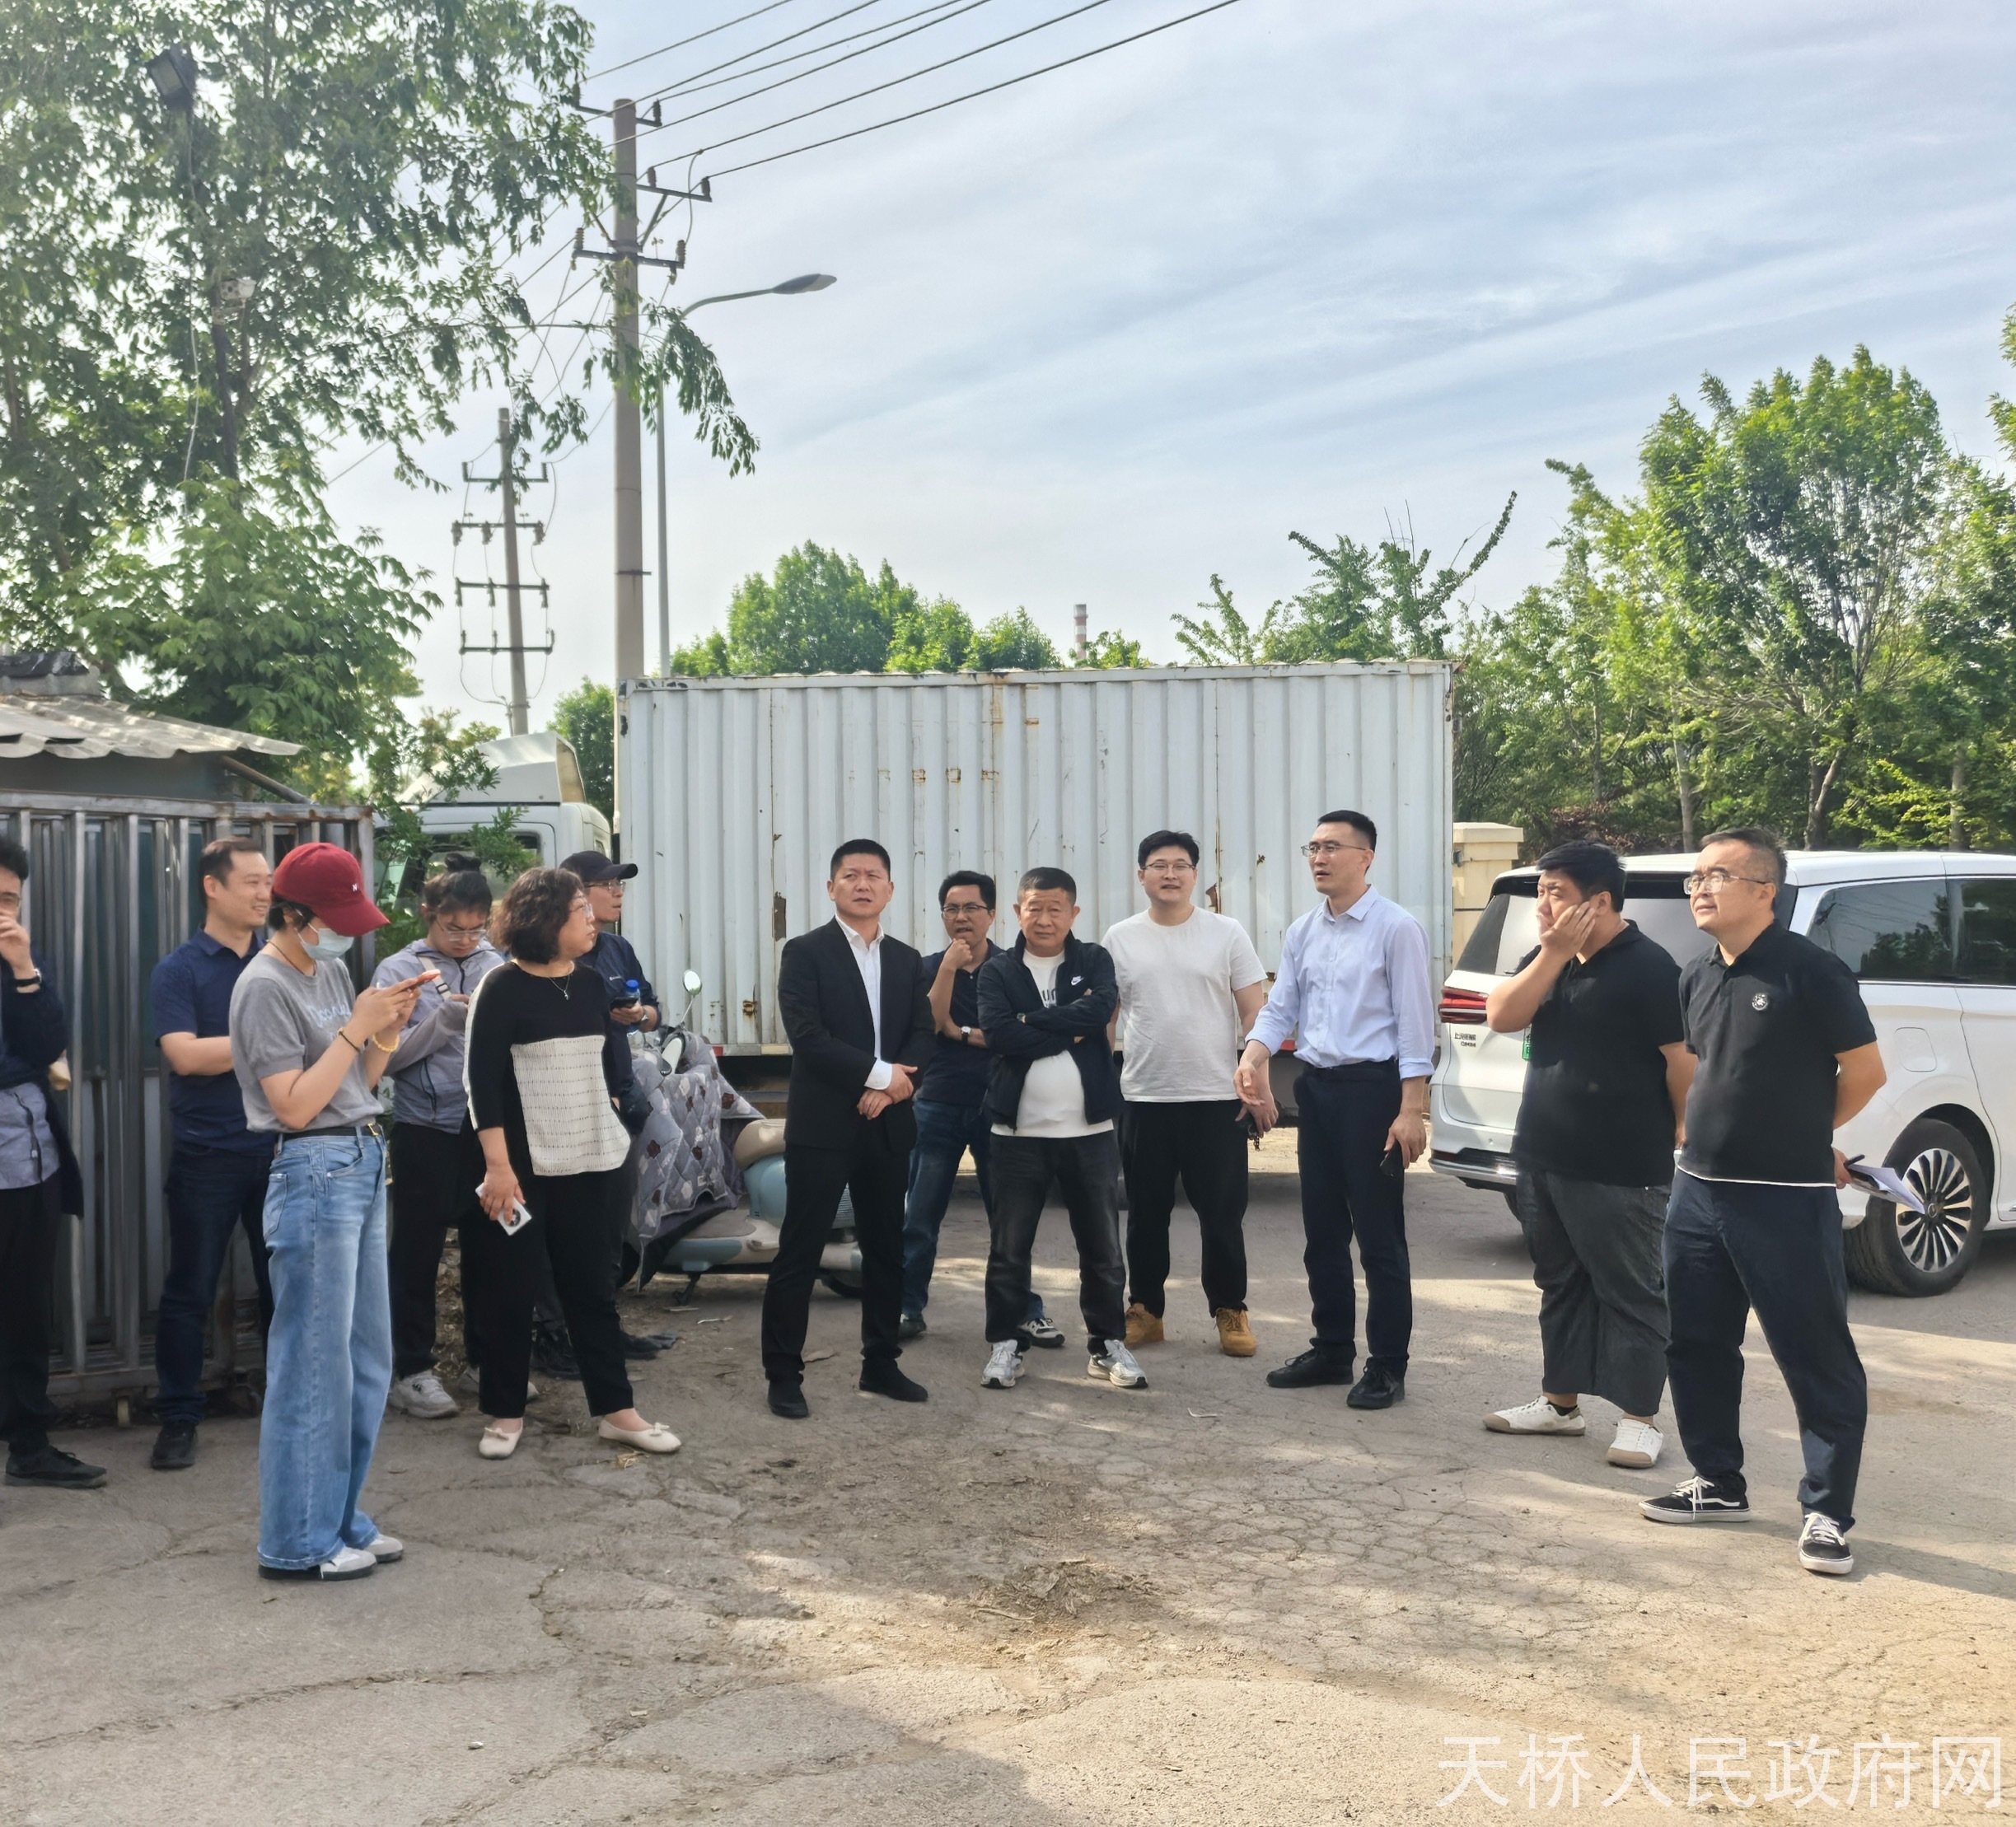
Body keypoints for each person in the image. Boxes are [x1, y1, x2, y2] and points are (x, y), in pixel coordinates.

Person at [1640, 828, 1885, 1578]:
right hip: (1697, 1191)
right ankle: (1717, 1482)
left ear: (1764, 890)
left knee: (1813, 1355)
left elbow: (1865, 1073)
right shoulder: (1695, 974)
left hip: (1783, 1197)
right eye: (1694, 877)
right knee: (1696, 1343)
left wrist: (1808, 1137)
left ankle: (1826, 1511)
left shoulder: (1810, 971)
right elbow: (1712, 1071)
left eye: (1717, 875)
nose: (1699, 888)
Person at [232, 842, 423, 1581]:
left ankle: (337, 1517)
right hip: (313, 1167)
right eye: (335, 919)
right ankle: (297, 1541)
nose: (345, 931)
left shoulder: (331, 970)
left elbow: (357, 1084)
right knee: (312, 1363)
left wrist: (388, 1028)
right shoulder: (262, 985)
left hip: (359, 1157)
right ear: (293, 914)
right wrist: (355, 1028)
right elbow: (293, 1105)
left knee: (366, 1360)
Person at [1481, 841, 1692, 1470]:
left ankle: (1638, 1420)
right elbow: (1501, 1015)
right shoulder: (1549, 958)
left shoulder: (1649, 967)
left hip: (1621, 1163)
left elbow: (1681, 1062)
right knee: (1559, 1282)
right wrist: (1550, 954)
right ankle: (1559, 1405)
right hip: (1543, 1153)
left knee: (1630, 1291)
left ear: (1598, 902)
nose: (1542, 905)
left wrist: (1683, 1127)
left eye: (1556, 893)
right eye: (1540, 892)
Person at [462, 867, 681, 1461]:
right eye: (580, 909)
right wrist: (498, 1167)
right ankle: (505, 1414)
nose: (592, 919)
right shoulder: (500, 987)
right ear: (545, 920)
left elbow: (603, 1064)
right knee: (511, 1291)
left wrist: (610, 1114)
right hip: (519, 1168)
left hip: (590, 1158)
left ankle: (617, 1411)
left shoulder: (588, 985)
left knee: (593, 1290)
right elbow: (481, 1083)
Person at [1237, 810, 1434, 1410]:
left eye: (1331, 847)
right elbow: (1280, 1008)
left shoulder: (1395, 928)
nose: (1319, 858)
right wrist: (1252, 1056)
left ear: (1365, 857)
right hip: (1318, 1091)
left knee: (1378, 1236)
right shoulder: (1304, 931)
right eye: (1313, 848)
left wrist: (1411, 1109)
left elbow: (1414, 1025)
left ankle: (1387, 1365)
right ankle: (1330, 1350)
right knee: (1321, 1232)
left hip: (1372, 1092)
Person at [760, 839, 935, 1419]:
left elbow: (922, 1034)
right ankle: (783, 1374)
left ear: (889, 889)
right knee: (800, 1249)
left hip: (887, 1125)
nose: (863, 884)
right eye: (851, 875)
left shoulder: (907, 959)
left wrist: (891, 1090)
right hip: (824, 1126)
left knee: (886, 1250)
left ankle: (880, 1364)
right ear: (831, 887)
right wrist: (883, 1076)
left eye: (873, 875)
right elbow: (807, 1037)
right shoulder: (805, 952)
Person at [975, 867, 1145, 1394]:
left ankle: (1107, 1344)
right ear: (1017, 912)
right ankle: (1007, 1344)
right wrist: (1067, 1027)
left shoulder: (1093, 959)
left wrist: (1030, 1022)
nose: (1045, 919)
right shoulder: (998, 970)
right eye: (1035, 908)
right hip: (1016, 1137)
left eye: (1056, 909)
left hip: (1089, 1133)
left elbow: (1099, 1012)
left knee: (1102, 1250)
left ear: (1073, 913)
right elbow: (999, 1035)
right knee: (1009, 1249)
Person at [1104, 829, 1269, 1359]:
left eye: (1180, 865)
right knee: (1145, 1215)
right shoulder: (1120, 938)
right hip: (1145, 1098)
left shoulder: (1225, 933)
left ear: (1195, 875)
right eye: (1158, 865)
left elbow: (1254, 1011)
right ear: (1141, 876)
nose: (1170, 874)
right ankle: (1145, 1311)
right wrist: (1102, 1086)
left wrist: (1258, 1082)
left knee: (1222, 1216)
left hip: (1215, 1098)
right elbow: (1107, 1019)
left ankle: (1231, 1310)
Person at [147, 836, 278, 1472]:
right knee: (190, 1290)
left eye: (268, 882)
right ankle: (178, 1417)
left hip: (279, 1149)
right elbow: (185, 1056)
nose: (264, 893)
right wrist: (266, 1039)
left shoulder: (280, 960)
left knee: (286, 1286)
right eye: (252, 881)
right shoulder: (180, 970)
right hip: (208, 1155)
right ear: (212, 887)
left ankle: (288, 1406)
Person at [898, 871, 1064, 1348]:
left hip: (1001, 1104)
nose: (961, 917)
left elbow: (1019, 1033)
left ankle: (1024, 1311)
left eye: (971, 908)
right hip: (938, 1104)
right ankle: (907, 1308)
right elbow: (931, 1026)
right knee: (920, 1216)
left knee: (1009, 1219)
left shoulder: (1014, 968)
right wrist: (949, 970)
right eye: (952, 909)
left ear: (992, 915)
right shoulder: (927, 967)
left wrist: (963, 1033)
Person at [377, 857, 507, 1421]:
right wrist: (443, 1023)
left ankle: (485, 1361)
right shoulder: (397, 970)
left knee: (491, 1247)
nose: (465, 940)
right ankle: (411, 1370)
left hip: (486, 1131)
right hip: (424, 1127)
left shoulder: (496, 966)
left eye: (476, 929)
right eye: (454, 928)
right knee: (416, 1251)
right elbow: (386, 1058)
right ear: (428, 912)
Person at [0, 835, 105, 1493]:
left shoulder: (22, 961)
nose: (1, 909)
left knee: (26, 1308)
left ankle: (30, 1445)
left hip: (28, 1158)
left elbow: (47, 1045)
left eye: (9, 898)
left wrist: (23, 968)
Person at [561, 848, 669, 1364]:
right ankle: (560, 1337)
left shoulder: (617, 948)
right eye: (607, 885)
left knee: (611, 1226)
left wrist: (639, 1014)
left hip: (619, 1101)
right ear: (576, 894)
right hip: (573, 1106)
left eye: (620, 884)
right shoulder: (554, 953)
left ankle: (604, 1331)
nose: (618, 892)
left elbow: (653, 1010)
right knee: (572, 1229)